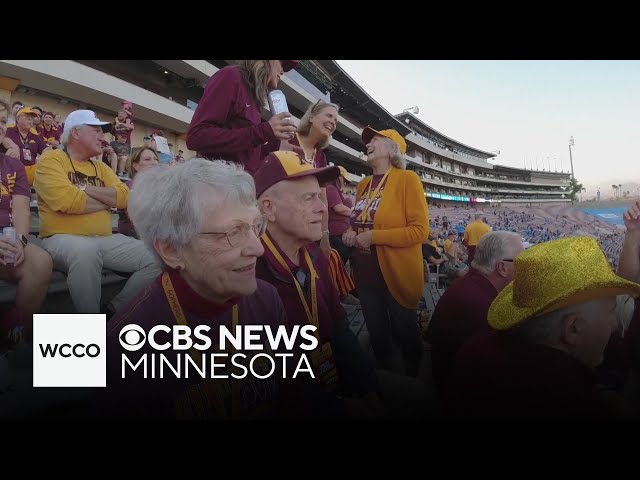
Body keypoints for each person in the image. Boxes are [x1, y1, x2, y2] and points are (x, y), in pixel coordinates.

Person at [103, 159, 297, 419]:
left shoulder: (267, 298)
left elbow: (291, 395)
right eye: (232, 232)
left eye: (254, 226)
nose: (258, 248)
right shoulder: (124, 346)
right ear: (172, 251)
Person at [255, 150, 432, 418]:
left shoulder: (316, 258)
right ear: (268, 208)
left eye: (320, 197)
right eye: (308, 198)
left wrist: (367, 387)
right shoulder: (249, 275)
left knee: (421, 396)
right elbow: (267, 379)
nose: (321, 208)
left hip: (337, 376)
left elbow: (339, 329)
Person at [446, 237, 639, 418]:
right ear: (572, 329)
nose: (616, 325)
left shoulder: (475, 350)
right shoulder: (581, 406)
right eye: (611, 312)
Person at [34, 109, 160, 315]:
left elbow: (125, 198)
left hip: (104, 239)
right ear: (76, 133)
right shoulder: (52, 160)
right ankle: (88, 325)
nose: (103, 137)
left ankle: (112, 311)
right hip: (60, 238)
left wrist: (83, 189)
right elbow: (67, 201)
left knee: (159, 257)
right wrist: (107, 201)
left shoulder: (101, 167)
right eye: (97, 131)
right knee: (85, 251)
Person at [342, 127, 429, 377]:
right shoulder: (364, 185)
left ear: (393, 150)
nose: (369, 143)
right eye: (369, 140)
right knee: (378, 336)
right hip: (366, 276)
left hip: (397, 275)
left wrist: (374, 237)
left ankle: (414, 381)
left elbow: (419, 231)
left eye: (377, 140)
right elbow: (359, 221)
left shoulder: (407, 179)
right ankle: (384, 384)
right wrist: (351, 231)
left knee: (406, 335)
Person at [426, 231, 524, 393]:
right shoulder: (484, 308)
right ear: (502, 268)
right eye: (522, 261)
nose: (526, 267)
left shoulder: (470, 284)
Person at [186, 60, 299, 176]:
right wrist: (264, 131)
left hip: (240, 187)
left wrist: (274, 142)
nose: (283, 71)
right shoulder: (231, 76)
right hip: (215, 185)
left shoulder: (254, 96)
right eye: (282, 63)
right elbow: (196, 137)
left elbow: (249, 159)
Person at [0, 100, 53, 343]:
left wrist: (20, 241)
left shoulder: (13, 164)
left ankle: (15, 332)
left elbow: (21, 209)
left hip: (6, 236)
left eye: (1, 121)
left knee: (40, 260)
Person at [118, 147, 159, 238]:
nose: (154, 163)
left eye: (155, 159)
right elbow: (139, 218)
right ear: (135, 166)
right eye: (147, 159)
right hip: (134, 237)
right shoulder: (129, 187)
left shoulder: (161, 186)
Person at [5, 107, 49, 185]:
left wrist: (45, 157)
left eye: (32, 118)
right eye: (28, 117)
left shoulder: (34, 136)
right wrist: (12, 145)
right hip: (10, 172)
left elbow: (46, 150)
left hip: (29, 173)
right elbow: (3, 138)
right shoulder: (9, 131)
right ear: (18, 118)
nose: (30, 120)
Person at [327, 165, 354, 265]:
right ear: (339, 177)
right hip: (336, 234)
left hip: (343, 233)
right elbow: (339, 208)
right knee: (338, 264)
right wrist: (355, 213)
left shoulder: (337, 191)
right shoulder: (331, 188)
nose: (346, 183)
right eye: (345, 180)